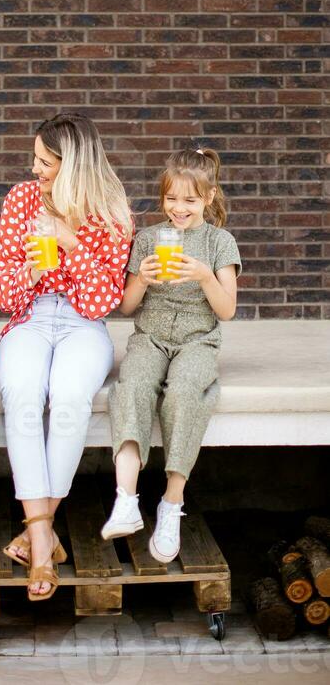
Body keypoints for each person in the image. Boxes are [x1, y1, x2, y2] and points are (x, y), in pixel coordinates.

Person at [0, 113, 133, 601]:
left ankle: (36, 534)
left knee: (71, 396)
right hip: (30, 315)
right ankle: (43, 540)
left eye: (46, 162)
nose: (35, 169)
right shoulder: (20, 200)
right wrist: (29, 273)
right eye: (35, 158)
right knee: (23, 392)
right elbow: (3, 295)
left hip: (83, 323)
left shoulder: (112, 211)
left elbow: (101, 303)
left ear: (73, 166)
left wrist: (71, 245)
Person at [102, 147, 241, 563]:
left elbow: (227, 310)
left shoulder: (219, 242)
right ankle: (126, 500)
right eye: (171, 199)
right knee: (133, 386)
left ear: (209, 197)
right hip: (152, 336)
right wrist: (141, 280)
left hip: (198, 339)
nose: (179, 209)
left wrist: (202, 274)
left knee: (183, 393)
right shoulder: (147, 238)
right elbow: (126, 307)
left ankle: (170, 503)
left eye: (190, 200)